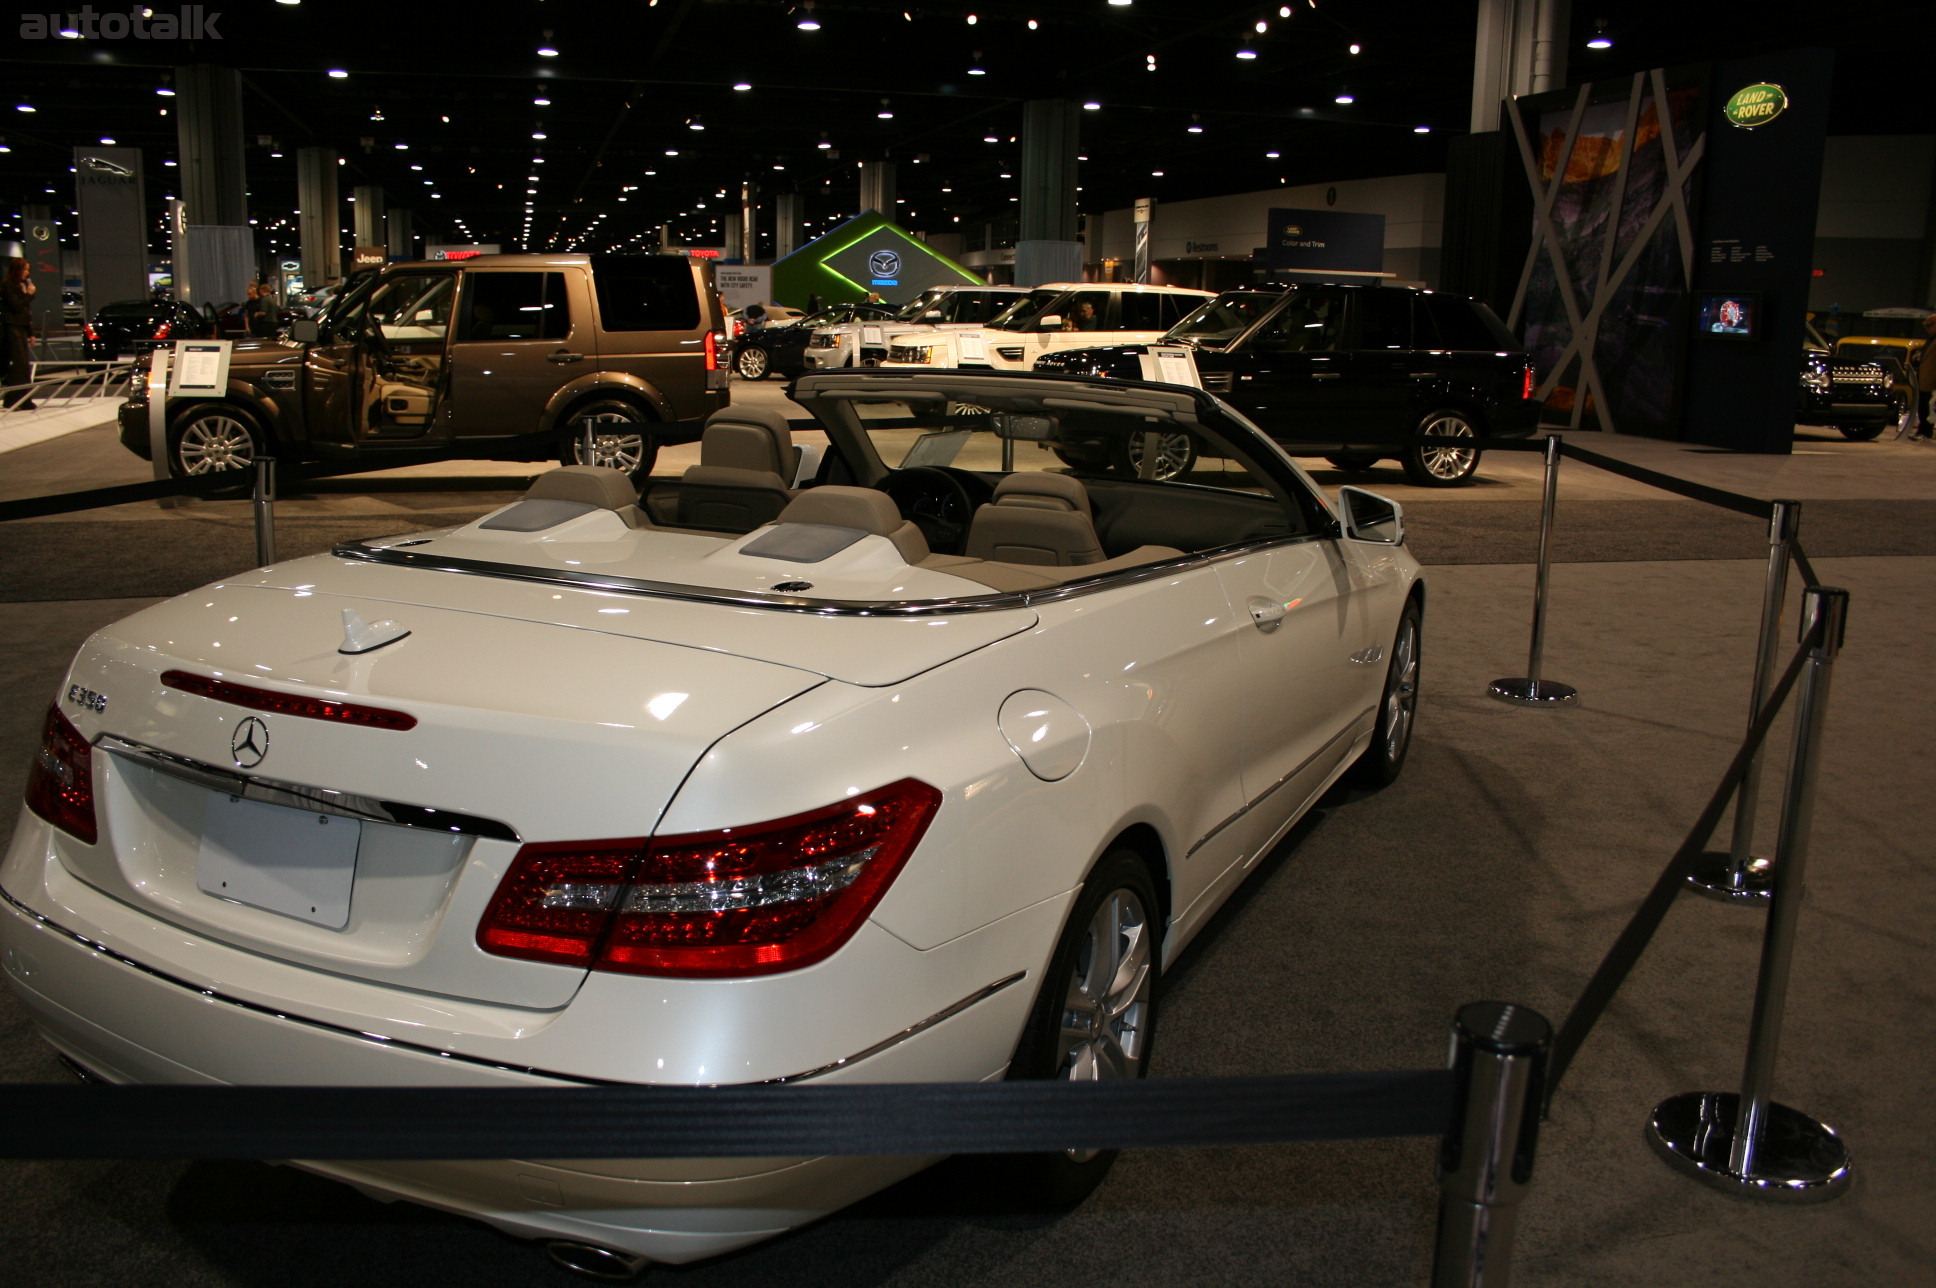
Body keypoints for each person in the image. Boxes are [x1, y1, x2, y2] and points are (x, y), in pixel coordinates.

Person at [2, 258, 37, 409]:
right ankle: (13, 400)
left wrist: (31, 333)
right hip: (11, 328)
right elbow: (16, 306)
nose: (27, 273)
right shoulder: (7, 285)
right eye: (24, 269)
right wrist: (28, 295)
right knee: (19, 366)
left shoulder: (22, 286)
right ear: (16, 270)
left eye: (28, 270)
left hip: (21, 328)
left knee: (24, 366)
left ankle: (25, 399)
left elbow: (25, 312)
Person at [1915, 312, 1936, 440]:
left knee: (1928, 407)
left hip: (1932, 379)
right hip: (1924, 378)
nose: (1927, 330)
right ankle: (1922, 430)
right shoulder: (1930, 339)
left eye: (1929, 326)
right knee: (1922, 406)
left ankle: (1926, 431)